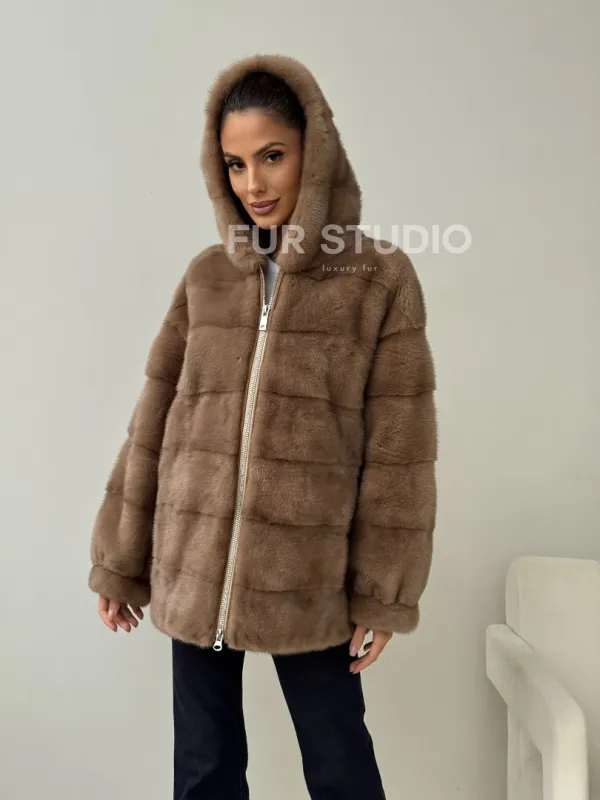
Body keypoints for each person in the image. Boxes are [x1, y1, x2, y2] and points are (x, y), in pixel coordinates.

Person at [88, 53, 438, 800]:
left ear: (317, 151)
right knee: (203, 771)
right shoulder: (206, 277)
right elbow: (155, 422)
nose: (254, 184)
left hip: (308, 577)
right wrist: (122, 558)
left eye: (272, 156)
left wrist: (383, 591)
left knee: (340, 766)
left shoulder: (377, 279)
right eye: (236, 164)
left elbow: (400, 452)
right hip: (192, 563)